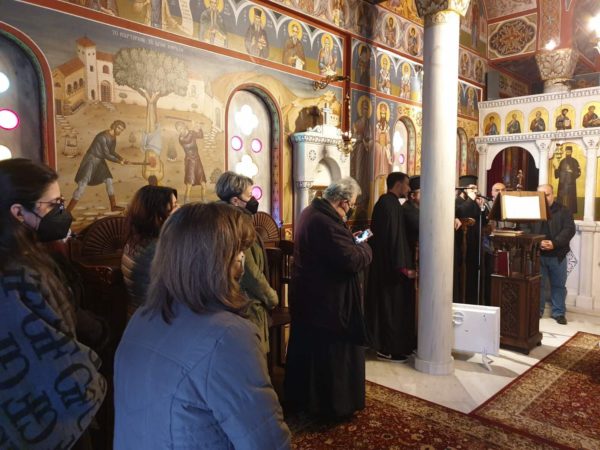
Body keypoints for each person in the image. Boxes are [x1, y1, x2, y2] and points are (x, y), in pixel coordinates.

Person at [114, 203, 290, 448]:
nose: (242, 259)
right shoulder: (229, 336)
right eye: (238, 251)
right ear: (217, 261)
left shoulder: (142, 317)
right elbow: (265, 440)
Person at [0, 158, 106, 449]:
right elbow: (52, 353)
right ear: (18, 213)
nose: (61, 212)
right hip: (50, 416)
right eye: (53, 205)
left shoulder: (27, 255)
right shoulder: (19, 272)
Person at [284, 177, 372, 420]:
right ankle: (332, 406)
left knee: (311, 351)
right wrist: (365, 247)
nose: (350, 209)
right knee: (330, 354)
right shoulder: (325, 222)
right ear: (343, 201)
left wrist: (352, 241)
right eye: (351, 204)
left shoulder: (310, 212)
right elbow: (351, 260)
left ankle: (305, 400)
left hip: (311, 297)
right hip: (328, 302)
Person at [215, 171, 278, 354]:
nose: (253, 200)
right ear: (235, 201)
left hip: (228, 304)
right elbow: (250, 272)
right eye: (249, 196)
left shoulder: (219, 219)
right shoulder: (237, 225)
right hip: (246, 306)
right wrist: (271, 297)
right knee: (253, 357)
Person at [366, 172, 416, 362]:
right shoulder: (388, 205)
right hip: (390, 268)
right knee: (390, 309)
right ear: (398, 184)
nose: (409, 189)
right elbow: (392, 238)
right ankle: (387, 349)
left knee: (393, 308)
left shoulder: (388, 203)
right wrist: (402, 267)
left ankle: (396, 346)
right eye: (407, 184)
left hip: (388, 265)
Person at [121, 185, 178, 316]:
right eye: (174, 206)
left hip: (138, 314)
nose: (179, 209)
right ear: (157, 215)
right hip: (154, 317)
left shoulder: (137, 238)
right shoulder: (155, 249)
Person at [522, 185, 575, 324]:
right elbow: (524, 228)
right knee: (538, 285)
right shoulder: (531, 210)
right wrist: (537, 242)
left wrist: (554, 243)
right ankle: (537, 311)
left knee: (558, 285)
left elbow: (569, 230)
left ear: (553, 195)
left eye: (547, 194)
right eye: (541, 195)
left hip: (558, 255)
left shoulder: (564, 210)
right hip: (537, 254)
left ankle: (558, 313)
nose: (544, 198)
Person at [67, 120, 128, 212]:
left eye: (122, 130)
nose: (120, 131)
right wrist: (119, 162)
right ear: (114, 126)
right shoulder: (102, 137)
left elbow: (112, 151)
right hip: (91, 160)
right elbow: (107, 154)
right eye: (119, 128)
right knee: (82, 184)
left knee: (109, 180)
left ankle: (113, 206)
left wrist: (122, 158)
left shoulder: (113, 137)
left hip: (100, 161)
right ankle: (68, 211)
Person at [454, 175, 487, 304]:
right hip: (462, 244)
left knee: (474, 274)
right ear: (464, 189)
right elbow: (461, 213)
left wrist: (482, 207)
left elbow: (483, 221)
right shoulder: (457, 201)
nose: (475, 191)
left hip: (475, 243)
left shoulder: (474, 202)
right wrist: (470, 200)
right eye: (472, 188)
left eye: (475, 188)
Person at [351, 97, 373, 219]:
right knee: (358, 174)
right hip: (358, 150)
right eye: (363, 108)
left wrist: (366, 143)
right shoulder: (357, 122)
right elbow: (353, 137)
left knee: (365, 176)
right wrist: (359, 139)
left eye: (366, 109)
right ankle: (357, 198)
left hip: (365, 152)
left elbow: (371, 139)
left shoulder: (369, 124)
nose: (365, 111)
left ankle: (363, 198)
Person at [175, 121, 206, 203]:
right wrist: (193, 129)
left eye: (180, 128)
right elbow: (187, 140)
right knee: (190, 181)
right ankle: (187, 199)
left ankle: (204, 198)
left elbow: (201, 135)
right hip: (190, 161)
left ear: (184, 126)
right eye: (178, 129)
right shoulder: (181, 138)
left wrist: (198, 127)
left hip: (197, 160)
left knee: (202, 181)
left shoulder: (192, 133)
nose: (180, 130)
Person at [553, 145, 581, 214]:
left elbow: (578, 172)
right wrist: (556, 169)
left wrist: (571, 171)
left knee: (570, 200)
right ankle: (560, 211)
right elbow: (558, 174)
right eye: (567, 151)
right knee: (561, 199)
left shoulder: (574, 161)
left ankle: (570, 212)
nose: (568, 152)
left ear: (571, 152)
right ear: (565, 151)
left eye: (569, 151)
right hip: (562, 185)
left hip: (571, 184)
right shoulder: (562, 161)